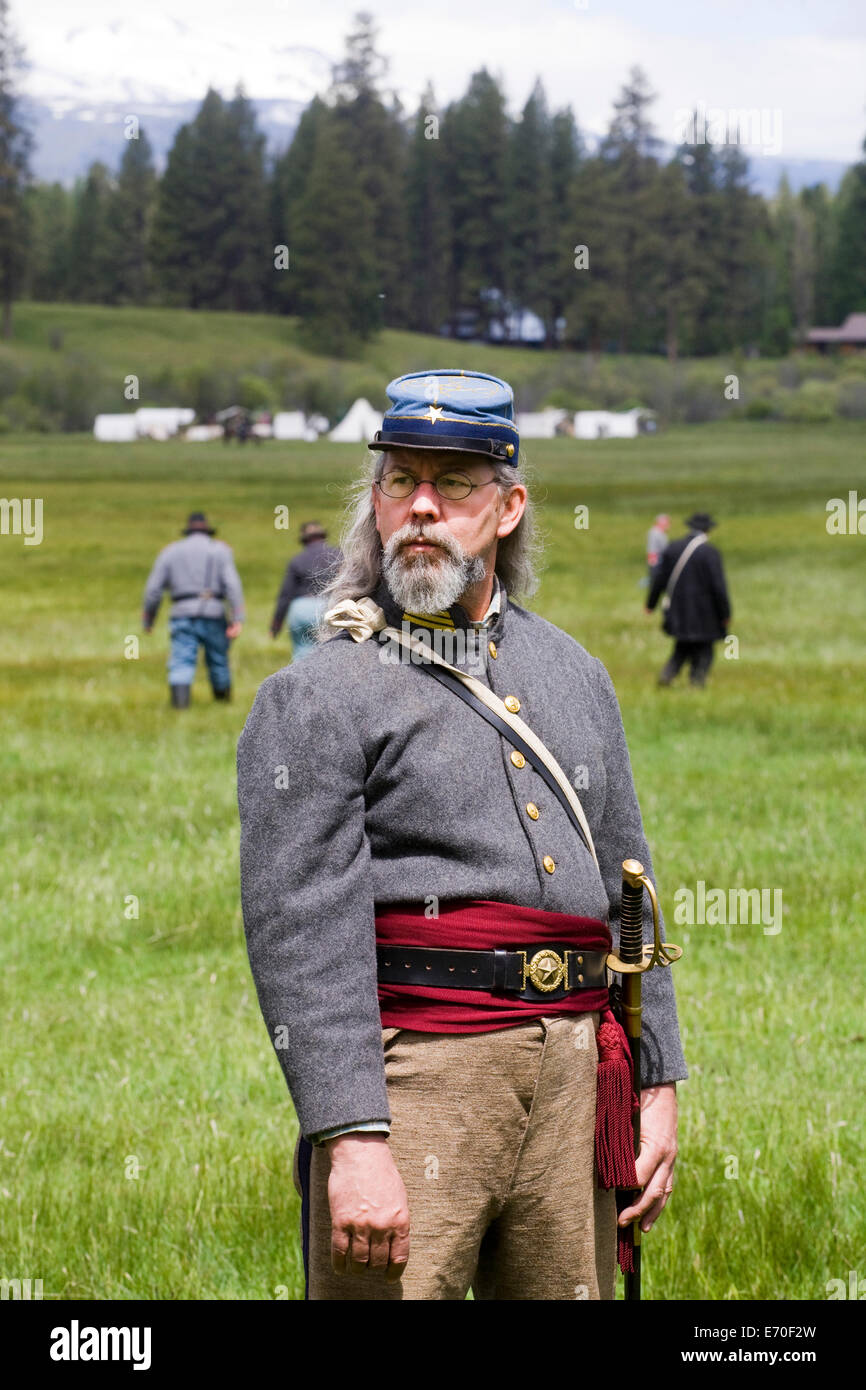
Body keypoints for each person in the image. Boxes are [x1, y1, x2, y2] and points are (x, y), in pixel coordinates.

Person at [237, 369, 687, 1301]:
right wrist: (351, 1139)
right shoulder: (315, 696)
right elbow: (301, 936)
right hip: (416, 1086)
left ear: (509, 505)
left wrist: (658, 1082)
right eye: (401, 481)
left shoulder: (577, 676)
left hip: (575, 1080)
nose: (424, 508)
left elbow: (629, 894)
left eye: (456, 483)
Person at [142, 511, 245, 707]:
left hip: (181, 613)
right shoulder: (221, 551)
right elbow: (233, 586)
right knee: (218, 660)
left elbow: (153, 590)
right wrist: (237, 617)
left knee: (181, 661)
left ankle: (180, 708)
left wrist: (148, 619)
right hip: (214, 612)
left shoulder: (170, 552)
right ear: (208, 530)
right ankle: (223, 705)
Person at [646, 512, 731, 688]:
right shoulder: (710, 553)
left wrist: (651, 604)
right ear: (708, 529)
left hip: (679, 610)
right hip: (705, 613)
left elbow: (659, 579)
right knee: (705, 651)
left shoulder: (673, 548)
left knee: (681, 648)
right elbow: (719, 588)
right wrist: (725, 614)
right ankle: (697, 683)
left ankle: (667, 675)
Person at [269, 522, 342, 659]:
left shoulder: (297, 560)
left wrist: (276, 624)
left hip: (301, 609)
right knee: (331, 653)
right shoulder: (338, 555)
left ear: (304, 540)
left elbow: (285, 595)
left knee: (302, 655)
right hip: (329, 606)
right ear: (323, 536)